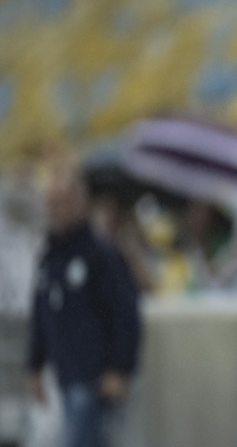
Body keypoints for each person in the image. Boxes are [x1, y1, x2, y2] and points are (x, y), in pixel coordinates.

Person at [27, 160, 142, 447]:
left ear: (80, 201)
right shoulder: (50, 256)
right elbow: (42, 312)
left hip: (94, 376)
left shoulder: (101, 255)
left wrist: (121, 367)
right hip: (64, 374)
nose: (55, 210)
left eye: (62, 201)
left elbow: (125, 314)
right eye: (51, 203)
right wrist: (34, 364)